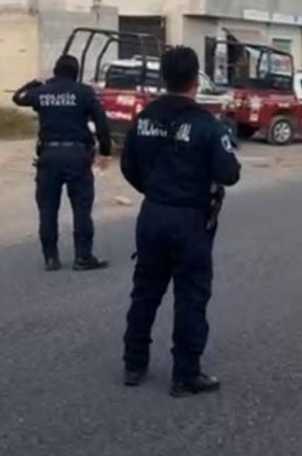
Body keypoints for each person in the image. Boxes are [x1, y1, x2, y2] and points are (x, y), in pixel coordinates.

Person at [120, 46, 241, 398]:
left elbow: (129, 166)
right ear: (194, 79)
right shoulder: (207, 125)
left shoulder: (144, 118)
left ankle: (133, 364)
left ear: (164, 77)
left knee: (145, 291)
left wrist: (156, 190)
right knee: (190, 297)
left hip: (153, 213)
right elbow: (229, 173)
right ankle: (185, 374)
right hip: (190, 219)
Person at [12, 54, 112, 272]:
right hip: (77, 156)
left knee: (48, 209)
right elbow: (102, 123)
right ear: (75, 72)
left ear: (55, 72)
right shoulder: (83, 92)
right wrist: (105, 151)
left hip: (48, 156)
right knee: (81, 208)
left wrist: (33, 84)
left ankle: (51, 258)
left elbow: (18, 98)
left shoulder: (43, 92)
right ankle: (83, 257)